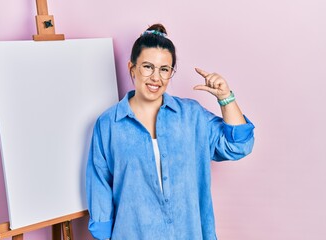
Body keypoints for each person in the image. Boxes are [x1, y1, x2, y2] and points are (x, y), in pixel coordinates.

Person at [86, 23, 255, 240]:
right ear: (132, 68)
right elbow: (99, 186)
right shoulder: (109, 124)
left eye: (164, 69)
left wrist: (226, 97)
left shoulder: (191, 116)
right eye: (147, 67)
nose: (156, 78)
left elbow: (239, 145)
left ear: (171, 72)